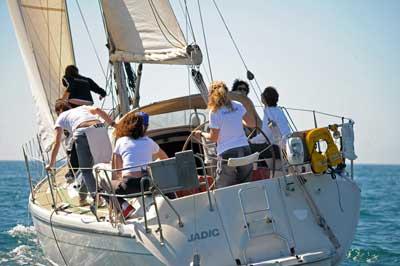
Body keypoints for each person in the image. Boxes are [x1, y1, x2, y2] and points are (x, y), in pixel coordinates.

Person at [46, 100, 116, 205]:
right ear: (69, 107)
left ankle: (97, 199)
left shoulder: (61, 117)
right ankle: (82, 198)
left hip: (82, 131)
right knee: (103, 165)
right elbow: (97, 110)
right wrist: (114, 124)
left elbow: (57, 143)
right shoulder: (82, 107)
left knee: (86, 170)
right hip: (100, 128)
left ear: (58, 111)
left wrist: (51, 164)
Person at [193, 81, 255, 188]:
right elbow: (252, 123)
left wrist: (202, 134)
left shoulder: (214, 112)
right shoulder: (238, 105)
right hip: (245, 150)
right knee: (246, 186)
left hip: (227, 154)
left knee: (223, 188)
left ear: (212, 95)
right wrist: (237, 121)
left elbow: (213, 138)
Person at [110, 112, 168, 219]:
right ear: (144, 127)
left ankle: (125, 207)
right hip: (147, 184)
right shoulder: (149, 142)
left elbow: (117, 171)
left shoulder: (121, 141)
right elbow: (165, 158)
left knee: (103, 187)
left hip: (129, 185)